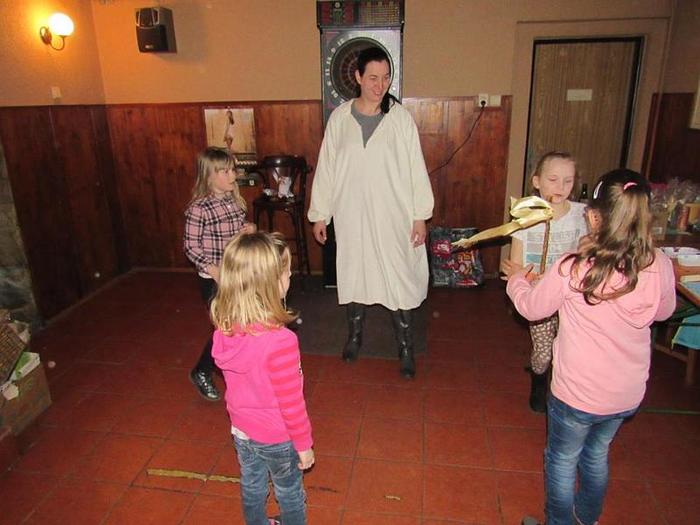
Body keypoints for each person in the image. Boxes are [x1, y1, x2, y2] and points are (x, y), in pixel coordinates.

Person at [505, 169, 676, 525]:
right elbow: (664, 312)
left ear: (596, 217)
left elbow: (532, 308)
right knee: (596, 455)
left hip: (576, 394)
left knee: (562, 460)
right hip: (625, 394)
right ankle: (586, 518)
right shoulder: (658, 263)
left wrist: (517, 281)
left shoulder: (575, 267)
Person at [308, 46, 434, 379]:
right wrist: (321, 213)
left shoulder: (400, 119)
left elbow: (416, 168)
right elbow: (327, 167)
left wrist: (420, 215)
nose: (380, 85)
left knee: (398, 276)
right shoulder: (340, 119)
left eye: (386, 78)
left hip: (393, 214)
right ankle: (354, 336)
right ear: (358, 77)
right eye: (373, 78)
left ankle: (405, 348)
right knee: (355, 273)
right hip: (351, 213)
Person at [211, 232, 314, 525]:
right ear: (270, 283)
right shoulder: (280, 341)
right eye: (286, 272)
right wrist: (303, 444)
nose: (290, 276)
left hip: (242, 429)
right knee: (289, 491)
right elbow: (291, 403)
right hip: (277, 436)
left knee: (252, 485)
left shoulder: (224, 329)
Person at [501, 152, 588, 412]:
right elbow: (516, 265)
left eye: (568, 181)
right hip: (539, 295)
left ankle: (564, 388)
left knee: (571, 348)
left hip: (572, 296)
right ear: (537, 181)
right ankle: (539, 380)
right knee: (543, 350)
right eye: (553, 180)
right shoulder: (525, 217)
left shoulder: (582, 216)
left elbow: (589, 257)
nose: (561, 187)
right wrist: (525, 277)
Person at [184, 147, 255, 401]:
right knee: (227, 329)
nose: (232, 176)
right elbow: (191, 247)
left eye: (232, 170)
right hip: (214, 280)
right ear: (209, 176)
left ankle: (234, 368)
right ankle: (203, 370)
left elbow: (237, 231)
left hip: (236, 274)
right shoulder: (199, 208)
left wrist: (249, 229)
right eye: (225, 171)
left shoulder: (234, 201)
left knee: (241, 324)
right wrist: (213, 270)